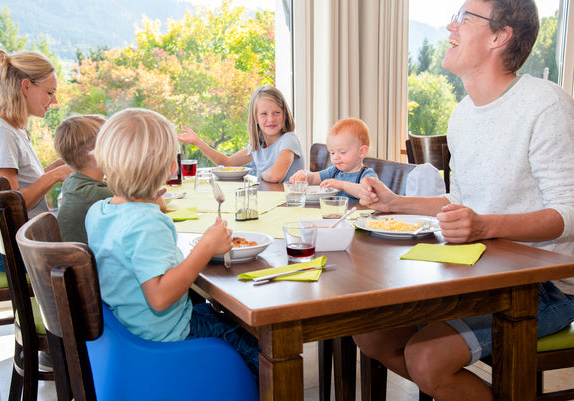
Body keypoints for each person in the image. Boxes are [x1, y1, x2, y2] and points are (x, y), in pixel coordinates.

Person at [353, 1, 574, 400]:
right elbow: (460, 203)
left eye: (465, 18)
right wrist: (394, 203)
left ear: (499, 36)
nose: (450, 26)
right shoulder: (462, 114)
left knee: (426, 358)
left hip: (541, 286)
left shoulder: (547, 104)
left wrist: (485, 226)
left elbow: (569, 213)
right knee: (371, 335)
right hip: (477, 270)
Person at [85, 107, 258, 377]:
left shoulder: (99, 211)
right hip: (165, 337)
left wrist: (150, 201)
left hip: (125, 332)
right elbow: (160, 297)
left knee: (217, 315)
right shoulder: (147, 224)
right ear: (170, 167)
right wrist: (205, 248)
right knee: (258, 348)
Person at [0, 49, 72, 272]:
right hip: (13, 250)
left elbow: (22, 184)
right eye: (50, 92)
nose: (54, 100)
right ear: (26, 86)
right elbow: (8, 205)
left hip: (24, 242)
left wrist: (60, 165)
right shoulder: (2, 133)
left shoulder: (11, 129)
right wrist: (56, 175)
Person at [178, 85, 305, 182]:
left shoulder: (289, 139)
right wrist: (198, 142)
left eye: (276, 112)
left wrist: (260, 175)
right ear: (255, 118)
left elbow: (276, 175)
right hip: (269, 200)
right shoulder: (258, 145)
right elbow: (227, 162)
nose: (271, 119)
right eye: (264, 114)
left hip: (288, 204)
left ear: (285, 115)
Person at [53, 115, 112, 244]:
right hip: (90, 262)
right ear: (95, 154)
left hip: (73, 260)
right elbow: (157, 204)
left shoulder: (73, 182)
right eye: (110, 143)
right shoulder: (96, 193)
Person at [289, 117, 377, 201]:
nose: (336, 157)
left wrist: (342, 185)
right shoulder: (334, 171)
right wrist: (305, 175)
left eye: (342, 152)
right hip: (334, 214)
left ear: (361, 151)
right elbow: (313, 178)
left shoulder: (367, 175)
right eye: (332, 153)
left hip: (357, 215)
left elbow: (368, 193)